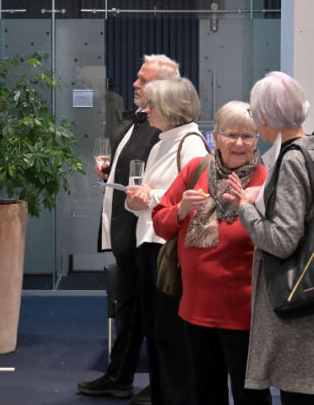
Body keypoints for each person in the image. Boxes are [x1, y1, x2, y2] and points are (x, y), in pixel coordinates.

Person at [225, 72, 314, 405]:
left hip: (302, 308)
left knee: (301, 397)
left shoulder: (291, 161)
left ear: (267, 116)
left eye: (258, 115)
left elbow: (282, 240)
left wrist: (246, 208)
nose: (256, 123)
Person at [152, 101, 272, 405]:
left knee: (251, 396)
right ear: (214, 137)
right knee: (205, 392)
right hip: (196, 308)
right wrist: (180, 210)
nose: (239, 143)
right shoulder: (196, 170)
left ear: (256, 139)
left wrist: (248, 207)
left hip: (245, 312)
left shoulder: (265, 179)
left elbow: (275, 239)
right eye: (231, 135)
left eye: (248, 136)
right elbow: (160, 224)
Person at [77, 54, 181, 404]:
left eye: (143, 80)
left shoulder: (167, 129)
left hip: (147, 237)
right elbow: (135, 170)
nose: (135, 84)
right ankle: (119, 376)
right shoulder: (140, 122)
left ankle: (158, 385)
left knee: (153, 316)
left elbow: (170, 186)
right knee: (130, 310)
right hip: (127, 233)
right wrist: (111, 173)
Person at [125, 77, 209, 405]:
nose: (146, 110)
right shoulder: (163, 140)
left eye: (152, 105)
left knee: (170, 332)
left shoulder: (190, 143)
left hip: (168, 247)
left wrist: (148, 197)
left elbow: (195, 195)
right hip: (152, 241)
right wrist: (139, 200)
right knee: (156, 329)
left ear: (171, 110)